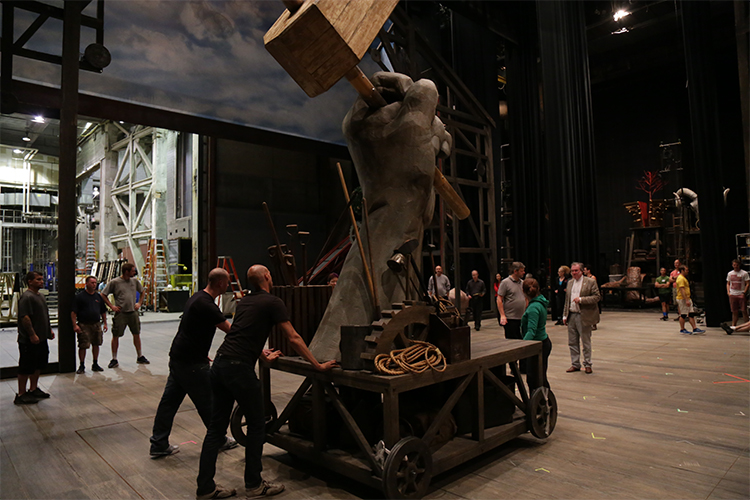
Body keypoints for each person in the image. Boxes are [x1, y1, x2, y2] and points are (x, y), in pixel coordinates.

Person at [196, 265, 338, 500]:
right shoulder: (273, 302)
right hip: (239, 369)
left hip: (220, 364)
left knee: (215, 429)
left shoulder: (244, 302)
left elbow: (242, 334)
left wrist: (262, 356)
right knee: (256, 424)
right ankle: (254, 485)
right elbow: (293, 337)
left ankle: (205, 488)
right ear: (267, 277)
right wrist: (317, 365)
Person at [150, 268, 240, 458]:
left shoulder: (197, 297)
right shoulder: (206, 304)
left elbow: (192, 329)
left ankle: (159, 443)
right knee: (209, 402)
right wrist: (254, 347)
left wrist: (201, 351)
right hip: (191, 363)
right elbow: (229, 330)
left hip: (180, 356)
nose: (228, 285)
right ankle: (219, 439)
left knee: (169, 403)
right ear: (220, 283)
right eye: (227, 281)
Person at [15, 271, 55, 404]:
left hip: (41, 338)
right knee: (26, 366)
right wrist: (32, 334)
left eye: (42, 279)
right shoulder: (27, 297)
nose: (41, 281)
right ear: (30, 282)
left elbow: (43, 315)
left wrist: (48, 330)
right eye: (38, 279)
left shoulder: (40, 296)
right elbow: (25, 318)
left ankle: (33, 389)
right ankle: (21, 394)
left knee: (38, 365)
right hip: (29, 340)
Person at [101, 262, 149, 368]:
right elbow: (103, 294)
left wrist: (139, 303)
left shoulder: (134, 281)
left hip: (133, 312)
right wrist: (112, 306)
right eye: (132, 271)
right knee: (116, 335)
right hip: (121, 313)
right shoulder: (115, 282)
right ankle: (114, 359)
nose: (134, 272)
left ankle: (140, 356)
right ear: (126, 271)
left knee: (136, 334)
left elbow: (142, 292)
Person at [563, 262, 600, 374]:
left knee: (585, 342)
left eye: (576, 271)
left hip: (584, 315)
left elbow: (597, 297)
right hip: (572, 315)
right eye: (572, 271)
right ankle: (575, 364)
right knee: (572, 342)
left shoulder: (590, 282)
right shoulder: (570, 282)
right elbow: (567, 300)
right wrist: (565, 315)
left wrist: (582, 300)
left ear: (582, 271)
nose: (574, 273)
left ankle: (588, 364)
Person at [72, 276, 108, 374]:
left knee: (96, 344)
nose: (94, 285)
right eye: (92, 283)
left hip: (96, 324)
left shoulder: (98, 297)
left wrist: (105, 323)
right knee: (83, 345)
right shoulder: (80, 297)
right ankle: (82, 365)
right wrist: (75, 325)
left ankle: (95, 363)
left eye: (95, 283)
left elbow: (103, 311)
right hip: (84, 325)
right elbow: (74, 312)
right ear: (86, 283)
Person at [521, 278, 551, 388]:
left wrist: (520, 345)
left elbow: (531, 331)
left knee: (534, 379)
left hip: (537, 344)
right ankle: (544, 397)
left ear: (523, 291)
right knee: (539, 376)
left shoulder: (533, 308)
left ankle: (543, 398)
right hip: (543, 342)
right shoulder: (540, 302)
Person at [497, 262, 527, 339]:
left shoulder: (522, 283)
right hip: (510, 318)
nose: (523, 272)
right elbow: (499, 299)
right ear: (515, 271)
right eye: (521, 271)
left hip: (522, 317)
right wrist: (502, 315)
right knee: (512, 340)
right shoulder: (505, 283)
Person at [675, 266, 705, 334]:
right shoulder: (680, 278)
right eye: (686, 270)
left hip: (687, 298)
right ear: (682, 270)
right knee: (683, 314)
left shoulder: (684, 278)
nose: (687, 271)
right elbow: (682, 290)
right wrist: (686, 300)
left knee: (691, 313)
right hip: (682, 299)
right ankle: (682, 329)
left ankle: (695, 328)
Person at [726, 259, 749, 326]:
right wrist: (728, 292)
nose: (735, 266)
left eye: (737, 265)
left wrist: (744, 292)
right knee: (734, 311)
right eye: (734, 265)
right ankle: (733, 326)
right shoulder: (730, 273)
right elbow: (728, 283)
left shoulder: (744, 273)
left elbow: (747, 283)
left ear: (739, 265)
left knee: (744, 311)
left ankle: (747, 326)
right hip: (733, 294)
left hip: (741, 293)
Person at [582, 264, 601, 330]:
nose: (584, 271)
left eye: (585, 270)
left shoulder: (592, 278)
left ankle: (594, 324)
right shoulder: (584, 278)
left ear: (588, 270)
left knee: (593, 310)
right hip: (586, 295)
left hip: (591, 295)